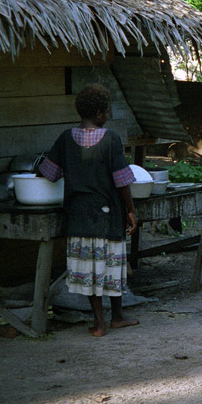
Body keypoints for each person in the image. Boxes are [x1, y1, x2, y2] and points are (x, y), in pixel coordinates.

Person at [36, 84, 139, 336]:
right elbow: (122, 181)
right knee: (111, 267)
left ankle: (99, 323)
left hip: (79, 215)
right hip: (108, 214)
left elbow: (49, 173)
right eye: (108, 110)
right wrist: (131, 210)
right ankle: (117, 317)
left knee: (89, 270)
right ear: (100, 114)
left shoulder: (65, 138)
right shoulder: (111, 139)